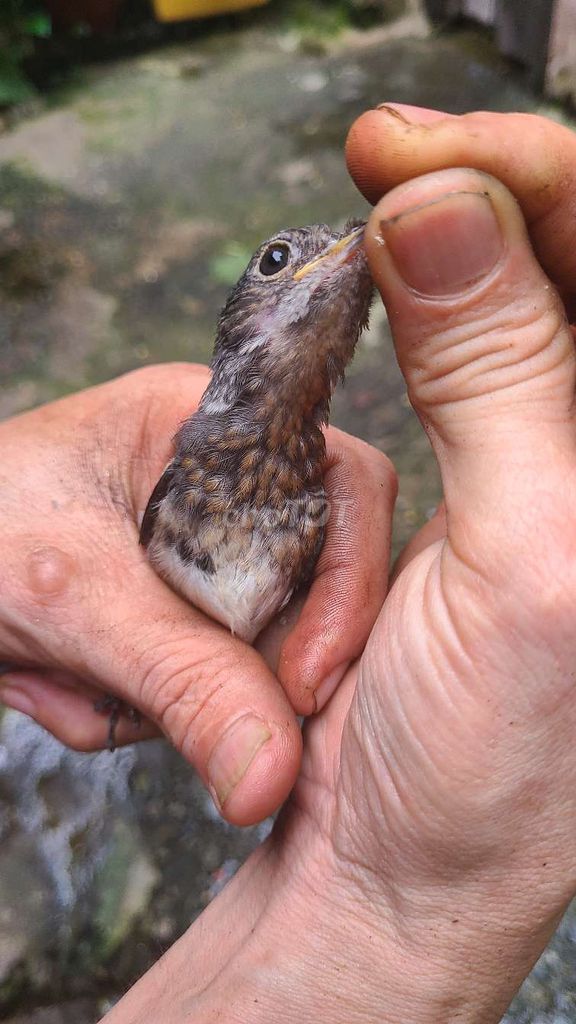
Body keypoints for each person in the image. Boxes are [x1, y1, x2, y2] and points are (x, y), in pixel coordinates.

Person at [3, 104, 576, 1022]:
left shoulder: (312, 489)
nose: (332, 258)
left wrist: (387, 886)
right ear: (240, 324)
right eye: (279, 262)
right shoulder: (192, 470)